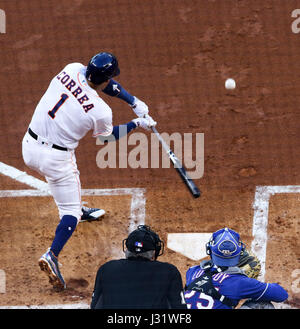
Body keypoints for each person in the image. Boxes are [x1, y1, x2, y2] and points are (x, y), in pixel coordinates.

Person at [22, 52, 157, 291]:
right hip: (56, 159)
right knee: (69, 211)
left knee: (68, 181)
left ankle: (79, 208)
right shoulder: (100, 112)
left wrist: (133, 102)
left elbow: (100, 83)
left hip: (29, 147)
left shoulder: (72, 68)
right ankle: (52, 254)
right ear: (106, 79)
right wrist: (138, 124)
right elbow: (106, 138)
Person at [184, 227, 288, 309]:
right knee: (264, 306)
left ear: (210, 250)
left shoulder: (192, 271)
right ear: (239, 252)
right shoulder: (239, 282)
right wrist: (247, 279)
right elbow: (281, 295)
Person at [90, 225, 187, 309]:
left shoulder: (107, 269)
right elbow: (179, 307)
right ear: (154, 253)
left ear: (127, 249)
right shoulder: (169, 272)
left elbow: (95, 305)